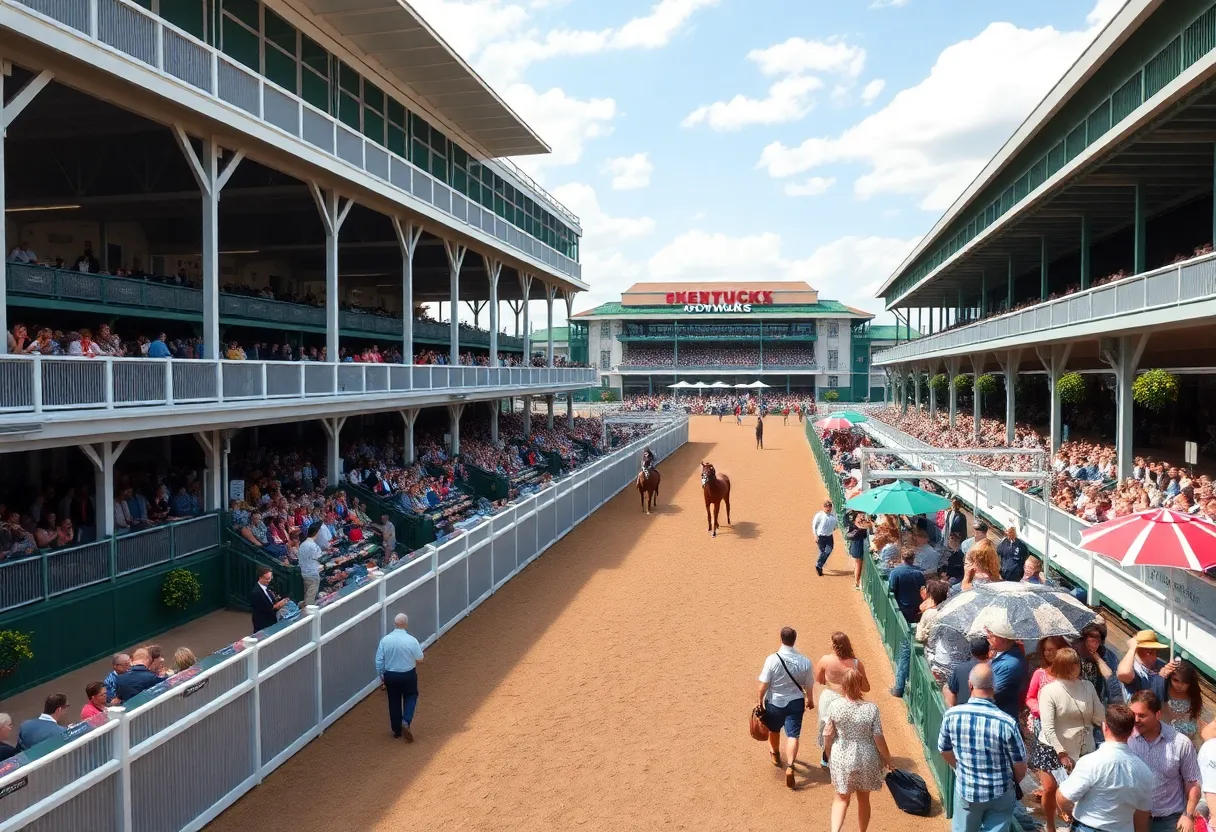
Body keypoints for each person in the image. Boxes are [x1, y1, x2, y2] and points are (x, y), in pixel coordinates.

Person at [938, 664, 1028, 832]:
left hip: (967, 789)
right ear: (994, 687)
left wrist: (962, 768)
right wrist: (1009, 782)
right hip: (1000, 792)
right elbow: (1020, 765)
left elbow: (944, 750)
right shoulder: (1007, 722)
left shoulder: (952, 716)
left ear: (970, 685)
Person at [1057, 704, 1154, 832]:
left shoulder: (1090, 761)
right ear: (1131, 732)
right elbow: (1142, 813)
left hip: (1086, 827)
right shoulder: (1144, 770)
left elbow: (1063, 797)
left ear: (1105, 727)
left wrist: (1069, 814)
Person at [1038, 647, 1106, 832]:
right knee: (1051, 789)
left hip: (1084, 746)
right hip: (1054, 746)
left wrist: (1114, 731)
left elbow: (1100, 715)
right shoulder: (1049, 691)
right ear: (1062, 666)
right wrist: (1061, 752)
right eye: (1070, 664)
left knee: (1083, 791)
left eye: (1076, 663)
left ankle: (1076, 825)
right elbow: (1048, 727)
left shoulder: (1088, 686)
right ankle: (1050, 825)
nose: (1075, 667)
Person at [823, 669, 892, 832]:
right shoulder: (871, 709)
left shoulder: (834, 706)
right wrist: (888, 759)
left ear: (843, 685)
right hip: (866, 757)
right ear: (860, 685)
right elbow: (879, 738)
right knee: (863, 798)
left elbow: (827, 734)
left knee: (841, 798)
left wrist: (827, 753)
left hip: (841, 755)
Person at [1128, 690, 1202, 832]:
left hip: (1169, 820)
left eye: (1142, 715)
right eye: (1133, 715)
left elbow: (1192, 782)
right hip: (1133, 818)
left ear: (1158, 714)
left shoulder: (1180, 743)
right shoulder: (1127, 738)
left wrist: (1188, 815)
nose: (1136, 720)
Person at [757, 626, 814, 789]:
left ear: (781, 639)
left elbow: (763, 685)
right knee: (793, 735)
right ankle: (790, 765)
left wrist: (759, 701)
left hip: (775, 702)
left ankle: (775, 755)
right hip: (796, 702)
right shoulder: (805, 661)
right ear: (794, 640)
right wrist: (810, 700)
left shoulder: (772, 659)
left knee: (774, 730)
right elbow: (809, 685)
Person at [815, 632, 870, 764]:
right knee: (845, 729)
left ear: (833, 645)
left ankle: (826, 758)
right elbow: (866, 688)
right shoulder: (856, 664)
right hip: (848, 699)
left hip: (828, 699)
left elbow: (820, 680)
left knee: (827, 728)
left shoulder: (825, 660)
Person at [376, 613, 425, 741]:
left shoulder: (385, 640)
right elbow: (420, 658)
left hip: (390, 675)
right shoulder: (411, 640)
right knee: (411, 695)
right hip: (408, 674)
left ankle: (396, 730)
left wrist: (382, 676)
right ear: (406, 624)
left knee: (394, 700)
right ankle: (406, 721)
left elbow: (379, 661)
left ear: (394, 624)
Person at [887, 548, 926, 698]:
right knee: (907, 642)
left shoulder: (896, 572)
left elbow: (891, 590)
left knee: (905, 646)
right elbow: (922, 591)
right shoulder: (919, 573)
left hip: (901, 611)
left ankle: (899, 687)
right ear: (913, 558)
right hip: (916, 612)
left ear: (902, 558)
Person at [987, 624, 1030, 721]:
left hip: (1001, 717)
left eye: (993, 636)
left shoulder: (1009, 664)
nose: (988, 637)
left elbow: (990, 692)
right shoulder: (1003, 655)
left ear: (1004, 640)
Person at [1117, 630, 1169, 701]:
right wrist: (1132, 649)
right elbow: (1123, 673)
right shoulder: (1134, 668)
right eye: (1146, 649)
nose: (1150, 651)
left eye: (1153, 649)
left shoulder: (1161, 665)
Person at [1162, 660, 1204, 746]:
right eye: (1176, 680)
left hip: (1191, 736)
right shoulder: (1163, 689)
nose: (1180, 685)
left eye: (1185, 682)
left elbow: (1196, 714)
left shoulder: (1193, 692)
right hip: (1170, 736)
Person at [944, 635, 991, 707]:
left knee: (946, 687)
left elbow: (951, 691)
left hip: (962, 711)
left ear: (971, 652)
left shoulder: (960, 668)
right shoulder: (994, 669)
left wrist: (952, 708)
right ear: (988, 651)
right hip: (987, 712)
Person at [250, 565, 289, 632]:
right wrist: (277, 606)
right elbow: (263, 610)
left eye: (270, 578)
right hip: (263, 624)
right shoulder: (256, 593)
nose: (269, 580)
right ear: (260, 577)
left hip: (273, 621)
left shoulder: (270, 586)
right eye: (267, 578)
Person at [297, 521, 323, 607]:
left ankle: (304, 608)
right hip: (312, 574)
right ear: (316, 533)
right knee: (310, 599)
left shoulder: (302, 544)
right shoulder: (313, 545)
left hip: (304, 573)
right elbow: (320, 558)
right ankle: (308, 616)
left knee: (307, 594)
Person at [844, 512, 869, 590]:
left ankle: (857, 581)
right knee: (858, 563)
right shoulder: (855, 525)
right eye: (859, 517)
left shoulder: (859, 522)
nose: (861, 518)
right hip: (857, 544)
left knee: (858, 563)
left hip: (858, 543)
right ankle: (857, 582)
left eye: (862, 516)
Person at [813, 500, 837, 577]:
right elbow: (814, 526)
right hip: (821, 536)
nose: (828, 508)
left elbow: (836, 525)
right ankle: (819, 568)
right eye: (826, 506)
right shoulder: (819, 515)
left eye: (829, 506)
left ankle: (819, 565)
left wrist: (833, 529)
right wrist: (815, 536)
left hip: (829, 536)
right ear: (823, 507)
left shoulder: (833, 516)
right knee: (822, 552)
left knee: (829, 550)